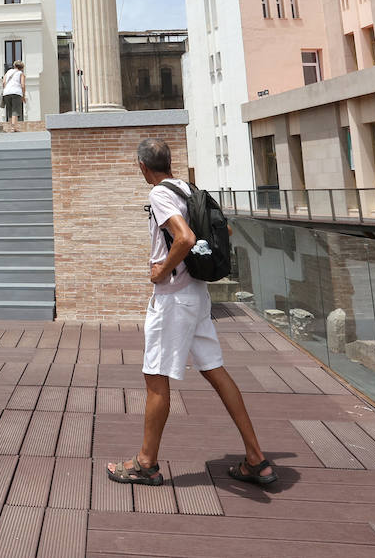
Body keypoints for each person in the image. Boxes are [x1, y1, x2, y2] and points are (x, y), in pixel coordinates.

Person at [106, 138, 276, 487]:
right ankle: (256, 459)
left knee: (155, 377)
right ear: (168, 162)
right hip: (198, 295)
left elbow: (183, 238)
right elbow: (223, 229)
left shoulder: (159, 194)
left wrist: (163, 270)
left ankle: (145, 463)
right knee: (215, 370)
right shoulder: (188, 188)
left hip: (173, 300)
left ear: (142, 166)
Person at [1, 59, 26, 132]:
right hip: (16, 92)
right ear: (22, 67)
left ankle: (10, 127)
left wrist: (7, 89)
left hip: (6, 93)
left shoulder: (8, 72)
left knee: (10, 110)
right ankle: (13, 128)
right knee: (15, 110)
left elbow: (3, 82)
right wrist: (23, 96)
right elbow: (23, 85)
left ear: (14, 66)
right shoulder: (21, 74)